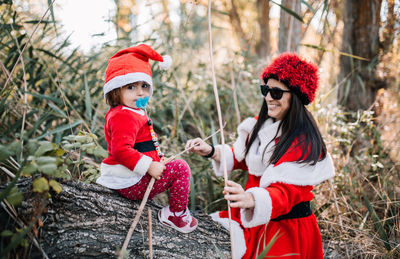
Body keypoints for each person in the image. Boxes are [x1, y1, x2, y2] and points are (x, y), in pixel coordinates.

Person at [186, 53, 335, 258]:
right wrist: (212, 151)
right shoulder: (261, 125)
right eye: (265, 90)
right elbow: (243, 157)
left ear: (296, 96)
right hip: (254, 217)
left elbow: (285, 193)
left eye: (276, 92)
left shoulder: (303, 142)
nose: (268, 97)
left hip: (286, 229)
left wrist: (250, 198)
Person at [97, 44, 197, 233]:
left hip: (133, 177)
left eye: (144, 86)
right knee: (181, 168)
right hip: (130, 181)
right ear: (116, 91)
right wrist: (149, 166)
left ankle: (176, 210)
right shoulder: (122, 115)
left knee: (173, 165)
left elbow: (141, 144)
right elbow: (121, 150)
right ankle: (176, 214)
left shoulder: (131, 111)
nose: (140, 92)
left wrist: (157, 160)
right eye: (131, 87)